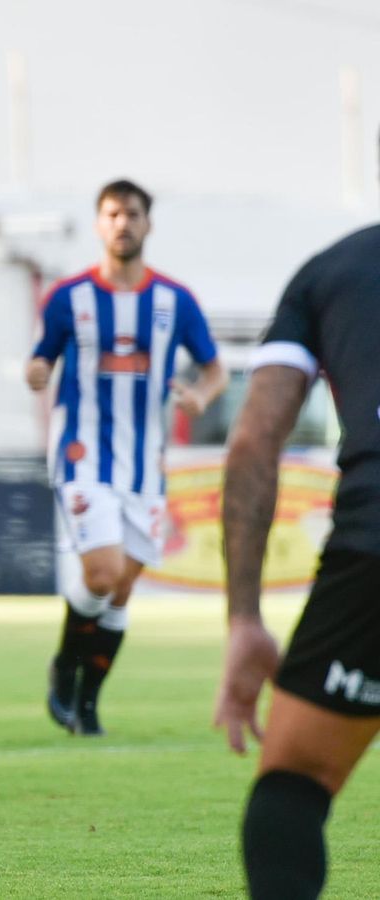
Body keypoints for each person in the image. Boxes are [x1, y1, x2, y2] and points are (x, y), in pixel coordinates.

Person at [216, 210, 380, 898]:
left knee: (296, 784)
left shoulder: (332, 272)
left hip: (372, 552)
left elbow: (255, 438)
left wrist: (245, 619)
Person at [26, 179, 225, 736]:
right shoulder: (69, 298)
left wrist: (201, 396)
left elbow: (214, 370)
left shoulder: (174, 301)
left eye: (132, 214)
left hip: (144, 465)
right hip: (82, 455)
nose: (123, 223)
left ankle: (88, 703)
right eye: (112, 214)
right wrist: (36, 373)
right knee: (103, 570)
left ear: (147, 224)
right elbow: (39, 361)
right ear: (99, 224)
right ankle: (66, 667)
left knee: (121, 589)